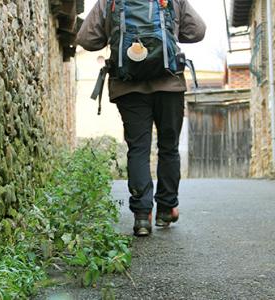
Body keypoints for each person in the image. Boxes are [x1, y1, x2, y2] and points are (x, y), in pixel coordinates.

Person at [76, 0, 206, 236]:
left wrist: (115, 37)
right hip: (169, 84)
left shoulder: (111, 1)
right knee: (169, 147)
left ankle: (142, 216)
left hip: (128, 86)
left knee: (138, 149)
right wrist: (167, 36)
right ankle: (166, 209)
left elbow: (86, 39)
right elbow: (198, 31)